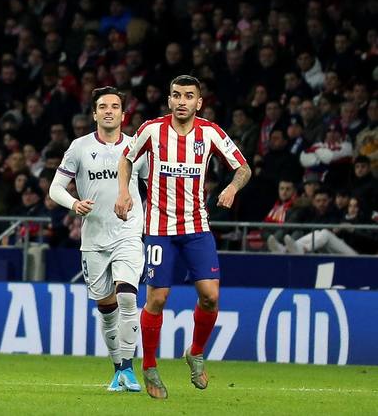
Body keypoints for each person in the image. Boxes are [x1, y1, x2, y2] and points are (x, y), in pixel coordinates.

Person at [115, 75, 250, 400]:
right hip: (160, 230)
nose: (181, 101)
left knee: (210, 297)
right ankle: (148, 365)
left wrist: (232, 188)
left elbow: (243, 168)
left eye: (188, 96)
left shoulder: (210, 133)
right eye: (176, 95)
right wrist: (124, 192)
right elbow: (126, 158)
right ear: (170, 99)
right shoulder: (152, 129)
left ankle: (196, 352)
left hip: (196, 229)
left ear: (198, 102)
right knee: (157, 300)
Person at [50, 87, 149, 393]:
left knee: (128, 296)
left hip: (129, 232)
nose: (109, 110)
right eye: (103, 106)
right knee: (106, 310)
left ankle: (130, 370)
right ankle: (118, 369)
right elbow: (56, 188)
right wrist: (74, 204)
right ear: (94, 114)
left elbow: (154, 186)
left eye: (115, 106)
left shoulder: (136, 147)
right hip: (93, 238)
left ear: (123, 114)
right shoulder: (79, 148)